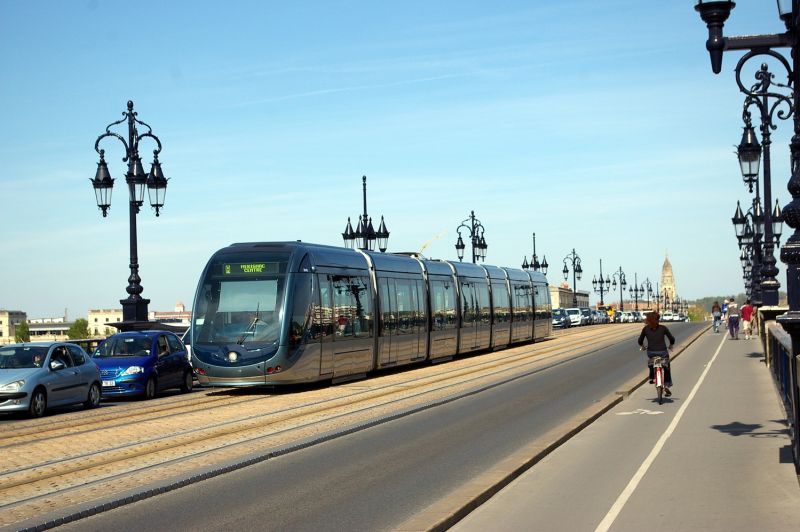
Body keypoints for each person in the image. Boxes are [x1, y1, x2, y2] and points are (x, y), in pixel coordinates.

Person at [637, 311, 676, 396]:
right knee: (666, 366)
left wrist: (643, 346)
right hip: (663, 352)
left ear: (648, 320)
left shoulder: (646, 329)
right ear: (658, 319)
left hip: (651, 352)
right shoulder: (663, 328)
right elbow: (672, 339)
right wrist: (671, 345)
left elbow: (640, 341)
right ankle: (667, 384)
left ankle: (651, 377)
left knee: (651, 362)